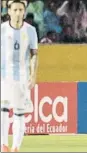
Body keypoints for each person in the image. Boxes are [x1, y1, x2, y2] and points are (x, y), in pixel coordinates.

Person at [1, 0, 38, 152]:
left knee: (19, 113)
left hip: (22, 77)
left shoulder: (30, 30)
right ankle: (3, 145)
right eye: (14, 10)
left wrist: (34, 74)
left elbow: (34, 54)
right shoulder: (2, 30)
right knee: (2, 110)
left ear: (24, 11)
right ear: (9, 11)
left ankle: (16, 147)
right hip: (3, 76)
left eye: (20, 10)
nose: (17, 13)